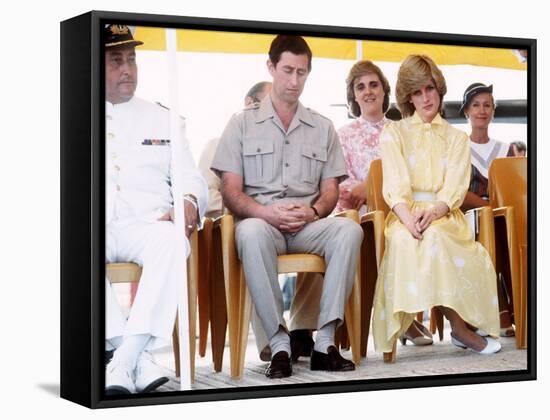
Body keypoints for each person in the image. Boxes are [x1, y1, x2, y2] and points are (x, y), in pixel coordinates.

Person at [211, 35, 363, 378]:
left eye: (302, 73)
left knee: (349, 230)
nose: (295, 81)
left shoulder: (323, 127)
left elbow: (330, 192)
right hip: (262, 222)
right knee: (249, 232)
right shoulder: (240, 124)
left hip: (308, 225)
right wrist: (265, 213)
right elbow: (231, 191)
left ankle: (324, 342)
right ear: (271, 67)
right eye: (288, 71)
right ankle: (279, 345)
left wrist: (312, 212)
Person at [372, 54, 501, 356]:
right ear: (408, 97)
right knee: (414, 239)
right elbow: (394, 184)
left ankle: (460, 327)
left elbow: (456, 185)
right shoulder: (394, 132)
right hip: (403, 217)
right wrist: (408, 217)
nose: (425, 97)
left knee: (438, 236)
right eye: (417, 92)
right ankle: (459, 329)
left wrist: (434, 212)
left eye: (429, 88)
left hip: (445, 215)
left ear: (439, 89)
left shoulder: (457, 138)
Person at [103, 24, 208, 395]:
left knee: (173, 241)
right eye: (116, 61)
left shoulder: (163, 118)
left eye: (131, 59)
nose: (127, 69)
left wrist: (189, 202)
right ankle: (137, 358)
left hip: (144, 224)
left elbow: (192, 178)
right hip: (94, 224)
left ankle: (120, 361)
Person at [336, 59, 433, 346]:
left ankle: (405, 317)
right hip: (361, 216)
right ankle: (385, 320)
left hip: (401, 210)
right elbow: (344, 187)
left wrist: (374, 185)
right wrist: (371, 187)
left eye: (373, 84)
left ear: (384, 89)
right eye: (360, 86)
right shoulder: (343, 135)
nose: (368, 91)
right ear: (353, 95)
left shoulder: (404, 130)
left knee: (420, 230)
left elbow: (415, 175)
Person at [459, 82, 515, 337]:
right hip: (471, 216)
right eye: (476, 105)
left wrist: (499, 209)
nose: (482, 110)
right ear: (466, 111)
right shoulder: (457, 148)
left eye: (487, 105)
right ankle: (497, 311)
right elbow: (457, 191)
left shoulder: (507, 150)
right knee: (487, 228)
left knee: (511, 230)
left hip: (506, 216)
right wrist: (487, 207)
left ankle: (517, 309)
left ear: (493, 111)